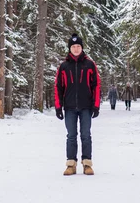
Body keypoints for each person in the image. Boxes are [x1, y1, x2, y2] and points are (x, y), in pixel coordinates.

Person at [54, 33, 101, 176]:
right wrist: (58, 107)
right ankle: (71, 164)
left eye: (78, 46)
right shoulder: (64, 66)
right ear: (70, 48)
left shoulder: (90, 64)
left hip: (86, 106)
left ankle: (87, 164)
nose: (76, 49)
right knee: (71, 136)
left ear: (82, 48)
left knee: (86, 135)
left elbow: (96, 85)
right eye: (73, 46)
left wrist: (96, 105)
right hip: (69, 107)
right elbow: (58, 87)